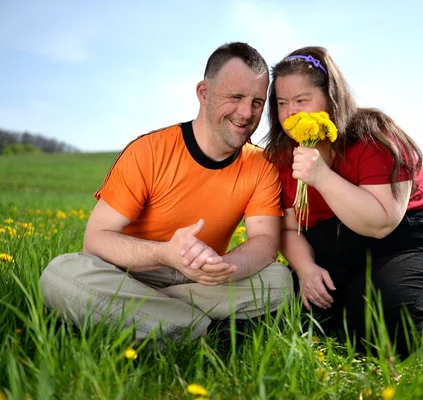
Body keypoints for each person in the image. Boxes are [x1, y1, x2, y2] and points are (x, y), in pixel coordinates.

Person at [39, 42, 292, 346]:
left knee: (280, 281)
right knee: (60, 274)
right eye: (235, 97)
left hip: (199, 281)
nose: (246, 113)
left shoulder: (260, 164)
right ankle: (206, 331)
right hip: (132, 275)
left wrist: (219, 269)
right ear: (204, 93)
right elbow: (96, 240)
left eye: (257, 102)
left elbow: (264, 244)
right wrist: (164, 254)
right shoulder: (148, 151)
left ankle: (150, 320)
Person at [263, 46, 423, 358]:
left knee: (384, 331)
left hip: (401, 244)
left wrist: (321, 176)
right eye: (282, 103)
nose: (291, 113)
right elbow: (289, 227)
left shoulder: (374, 135)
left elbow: (382, 222)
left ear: (331, 96)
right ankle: (357, 303)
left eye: (302, 100)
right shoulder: (284, 156)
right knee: (296, 323)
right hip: (335, 253)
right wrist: (306, 268)